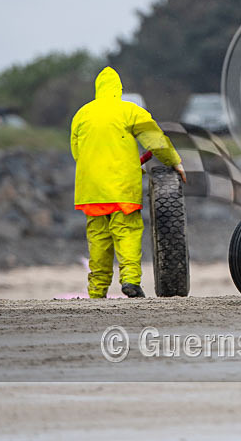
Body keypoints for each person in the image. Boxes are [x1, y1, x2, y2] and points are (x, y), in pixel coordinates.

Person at [70, 67, 187, 298]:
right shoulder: (129, 111)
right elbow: (155, 141)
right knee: (127, 232)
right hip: (121, 189)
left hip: (91, 191)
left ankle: (96, 291)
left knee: (98, 239)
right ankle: (131, 281)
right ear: (119, 90)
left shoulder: (82, 114)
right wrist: (174, 161)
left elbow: (77, 152)